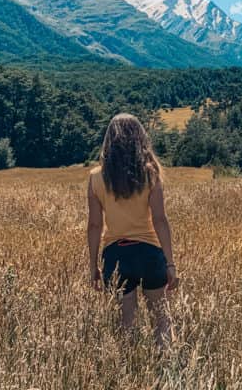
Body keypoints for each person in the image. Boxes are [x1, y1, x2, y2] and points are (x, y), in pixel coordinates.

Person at [87, 113, 179, 346]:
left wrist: (93, 266)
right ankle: (166, 372)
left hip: (115, 255)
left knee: (126, 324)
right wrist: (170, 263)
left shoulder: (96, 177)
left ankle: (131, 374)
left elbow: (95, 225)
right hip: (149, 252)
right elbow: (160, 220)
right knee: (161, 319)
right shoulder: (151, 172)